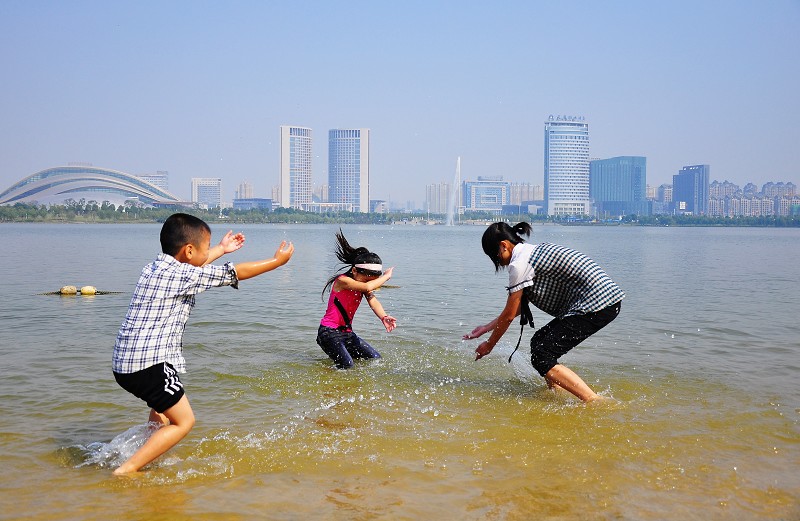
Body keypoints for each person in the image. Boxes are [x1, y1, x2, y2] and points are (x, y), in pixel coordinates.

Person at [111, 213, 294, 474]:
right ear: (188, 250)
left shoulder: (155, 268)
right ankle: (127, 471)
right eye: (206, 248)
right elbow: (235, 272)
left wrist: (220, 248)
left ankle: (147, 449)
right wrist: (277, 262)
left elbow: (193, 264)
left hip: (124, 363)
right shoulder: (185, 276)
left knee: (162, 411)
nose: (208, 253)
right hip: (148, 364)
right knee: (184, 422)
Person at [463, 222, 624, 403]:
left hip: (598, 303)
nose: (500, 262)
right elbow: (515, 309)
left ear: (504, 245)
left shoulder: (520, 264)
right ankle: (556, 392)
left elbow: (509, 315)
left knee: (542, 355)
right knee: (539, 342)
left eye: (496, 256)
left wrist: (489, 345)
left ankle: (593, 400)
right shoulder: (530, 253)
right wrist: (486, 328)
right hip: (603, 300)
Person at [317, 229, 397, 369]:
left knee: (375, 359)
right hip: (329, 333)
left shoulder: (363, 286)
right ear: (354, 270)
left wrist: (383, 317)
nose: (368, 283)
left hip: (347, 334)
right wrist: (386, 277)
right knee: (347, 366)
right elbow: (367, 288)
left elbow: (372, 299)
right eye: (366, 280)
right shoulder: (342, 281)